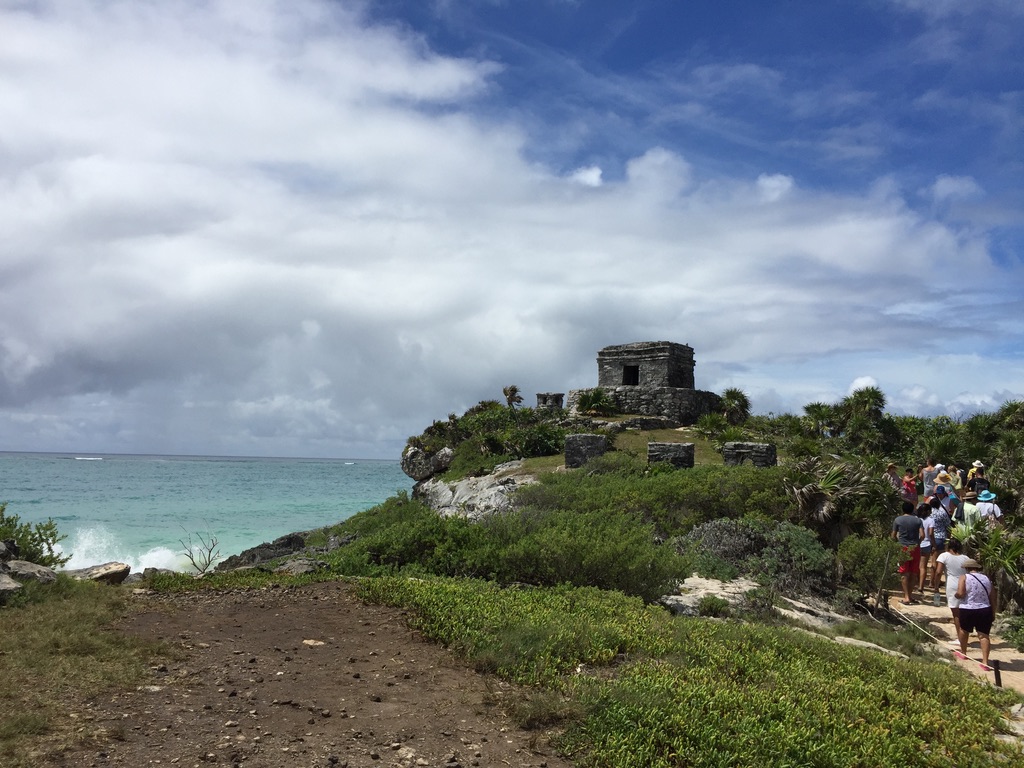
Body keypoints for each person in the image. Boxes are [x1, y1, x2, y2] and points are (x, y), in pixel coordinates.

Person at [954, 558, 997, 671]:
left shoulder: (964, 577)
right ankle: (985, 662)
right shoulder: (987, 579)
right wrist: (993, 612)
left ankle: (963, 652)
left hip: (968, 608)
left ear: (967, 568)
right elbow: (992, 597)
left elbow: (961, 593)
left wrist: (956, 596)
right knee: (984, 636)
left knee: (964, 630)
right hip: (984, 609)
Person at [934, 539, 971, 637]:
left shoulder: (944, 556)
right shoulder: (966, 558)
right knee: (964, 612)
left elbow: (938, 572)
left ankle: (960, 638)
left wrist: (936, 586)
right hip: (965, 584)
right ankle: (964, 635)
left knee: (956, 613)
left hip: (952, 585)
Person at [892, 500, 924, 605]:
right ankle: (910, 595)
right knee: (914, 573)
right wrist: (918, 542)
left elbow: (893, 535)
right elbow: (922, 535)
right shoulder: (918, 521)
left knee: (904, 572)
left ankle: (906, 597)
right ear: (912, 509)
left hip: (903, 547)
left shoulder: (898, 520)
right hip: (915, 547)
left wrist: (898, 543)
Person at [918, 502, 935, 593]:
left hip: (917, 543)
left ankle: (916, 583)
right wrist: (934, 544)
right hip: (927, 543)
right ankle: (921, 586)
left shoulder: (917, 519)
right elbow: (931, 533)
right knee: (923, 567)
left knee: (917, 565)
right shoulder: (931, 520)